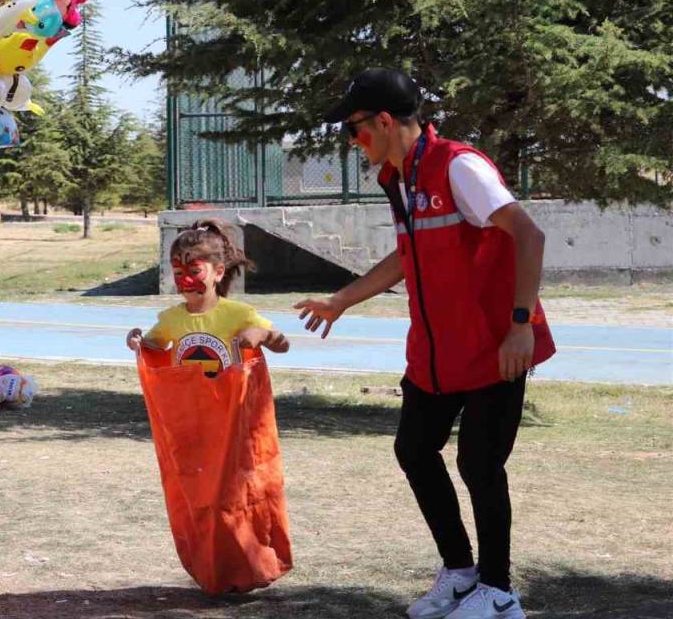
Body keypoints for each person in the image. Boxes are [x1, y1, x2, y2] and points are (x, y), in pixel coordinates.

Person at [295, 68, 556, 619]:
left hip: (494, 346)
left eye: (356, 130)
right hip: (436, 354)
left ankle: (500, 593)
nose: (352, 141)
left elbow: (529, 234)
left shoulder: (457, 165)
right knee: (413, 450)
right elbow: (405, 256)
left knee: (480, 466)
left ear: (385, 121)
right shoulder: (402, 178)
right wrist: (342, 299)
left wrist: (519, 325)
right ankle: (461, 575)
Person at [127, 219, 289, 374]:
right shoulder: (171, 318)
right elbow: (149, 347)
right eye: (178, 273)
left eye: (195, 271)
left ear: (218, 272)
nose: (186, 279)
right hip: (188, 401)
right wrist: (135, 341)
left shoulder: (239, 314)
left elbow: (283, 345)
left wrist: (263, 335)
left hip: (228, 401)